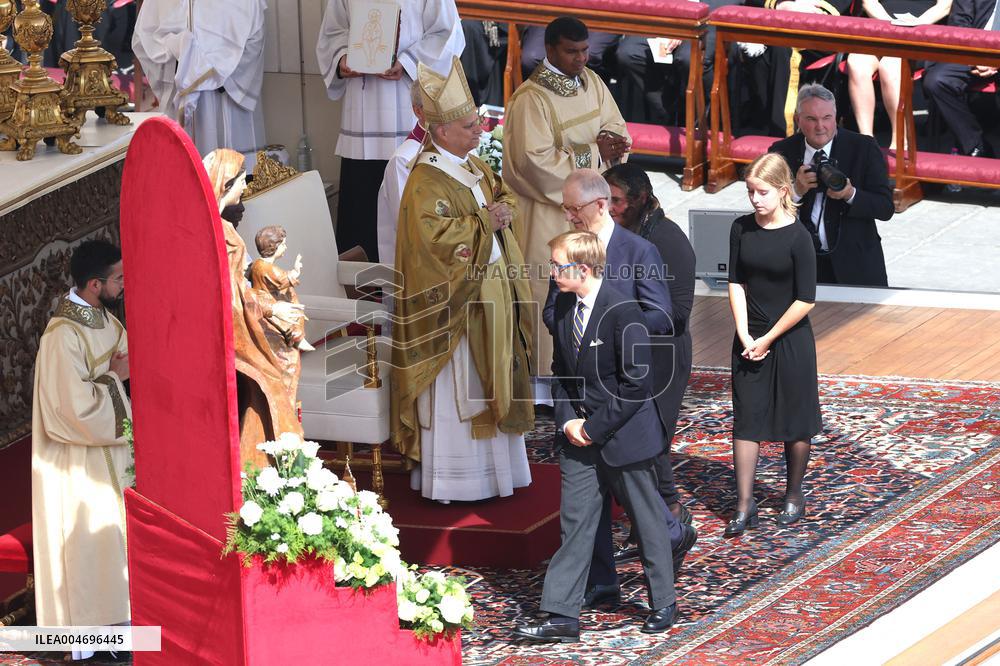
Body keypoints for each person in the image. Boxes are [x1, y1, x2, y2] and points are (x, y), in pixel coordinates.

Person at [513, 231, 678, 643]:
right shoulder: (566, 308)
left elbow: (637, 384)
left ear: (583, 269)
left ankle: (663, 603)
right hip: (579, 441)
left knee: (646, 521)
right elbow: (561, 371)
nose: (551, 272)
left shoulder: (624, 310)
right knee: (576, 524)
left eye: (557, 265)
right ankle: (561, 615)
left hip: (624, 437)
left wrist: (593, 427)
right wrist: (568, 421)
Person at [390, 57, 534, 503]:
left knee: (493, 382)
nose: (479, 132)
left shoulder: (470, 165)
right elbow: (433, 247)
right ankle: (456, 481)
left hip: (488, 293)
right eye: (470, 126)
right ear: (442, 131)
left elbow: (498, 195)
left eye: (477, 124)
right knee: (463, 392)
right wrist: (483, 223)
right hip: (456, 312)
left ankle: (499, 474)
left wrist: (501, 209)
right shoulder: (424, 182)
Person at [505, 16, 630, 375]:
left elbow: (615, 125)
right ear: (549, 50)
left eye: (585, 50)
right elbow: (533, 164)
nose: (581, 59)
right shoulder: (530, 100)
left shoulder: (591, 82)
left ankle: (593, 370)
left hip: (591, 213)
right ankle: (547, 382)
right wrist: (596, 153)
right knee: (554, 294)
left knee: (590, 289)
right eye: (572, 51)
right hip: (549, 217)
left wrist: (614, 145)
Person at [32, 240, 131, 661]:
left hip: (115, 454)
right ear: (94, 284)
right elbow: (72, 411)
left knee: (119, 547)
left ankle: (125, 630)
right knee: (92, 551)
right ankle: (96, 644)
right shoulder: (61, 337)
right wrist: (116, 378)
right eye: (118, 279)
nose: (124, 285)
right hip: (78, 464)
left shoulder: (104, 318)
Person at [316, 0, 464, 262]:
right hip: (361, 117)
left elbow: (448, 33)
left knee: (410, 208)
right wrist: (342, 59)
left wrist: (407, 62)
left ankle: (409, 288)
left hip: (406, 108)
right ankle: (359, 292)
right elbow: (333, 30)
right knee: (361, 207)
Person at [601, 162, 697, 561]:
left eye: (617, 201)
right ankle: (652, 528)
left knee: (653, 444)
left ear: (641, 200)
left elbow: (677, 312)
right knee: (633, 444)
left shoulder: (669, 240)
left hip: (662, 357)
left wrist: (624, 319)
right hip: (630, 351)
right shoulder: (624, 232)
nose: (609, 208)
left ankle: (673, 519)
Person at [725, 153, 822, 537]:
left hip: (790, 338)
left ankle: (794, 493)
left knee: (795, 421)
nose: (754, 199)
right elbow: (735, 282)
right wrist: (746, 333)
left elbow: (806, 299)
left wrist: (768, 337)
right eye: (750, 191)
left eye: (762, 192)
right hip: (751, 335)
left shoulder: (800, 237)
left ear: (783, 191)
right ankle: (745, 504)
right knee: (746, 419)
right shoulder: (740, 229)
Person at [204, 149, 304, 468]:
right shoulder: (216, 233)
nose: (245, 187)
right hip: (233, 332)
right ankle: (267, 468)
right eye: (240, 181)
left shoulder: (224, 228)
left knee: (272, 384)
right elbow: (232, 293)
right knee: (271, 385)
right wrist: (273, 311)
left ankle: (264, 467)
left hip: (247, 323)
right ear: (226, 184)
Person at [770, 83, 894, 286]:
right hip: (801, 266)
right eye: (811, 119)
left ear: (836, 118)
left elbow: (885, 208)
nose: (820, 127)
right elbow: (764, 210)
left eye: (827, 118)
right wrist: (795, 192)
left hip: (856, 266)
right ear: (798, 120)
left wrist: (850, 194)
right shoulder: (781, 152)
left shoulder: (863, 148)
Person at [132, 0, 266, 160]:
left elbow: (254, 40)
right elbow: (144, 39)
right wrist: (179, 50)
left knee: (232, 174)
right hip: (179, 95)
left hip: (224, 99)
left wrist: (214, 70)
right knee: (185, 171)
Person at [847, 0, 952, 149]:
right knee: (856, 63)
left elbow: (945, 6)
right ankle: (867, 142)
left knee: (890, 66)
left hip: (922, 33)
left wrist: (915, 25)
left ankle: (900, 142)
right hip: (881, 28)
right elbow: (868, 3)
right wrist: (890, 25)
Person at [922, 0, 999, 158]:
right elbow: (959, 22)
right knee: (937, 81)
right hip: (974, 52)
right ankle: (975, 144)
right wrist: (976, 56)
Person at [376, 83, 428, 264]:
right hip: (415, 269)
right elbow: (410, 226)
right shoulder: (403, 161)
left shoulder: (462, 149)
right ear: (418, 111)